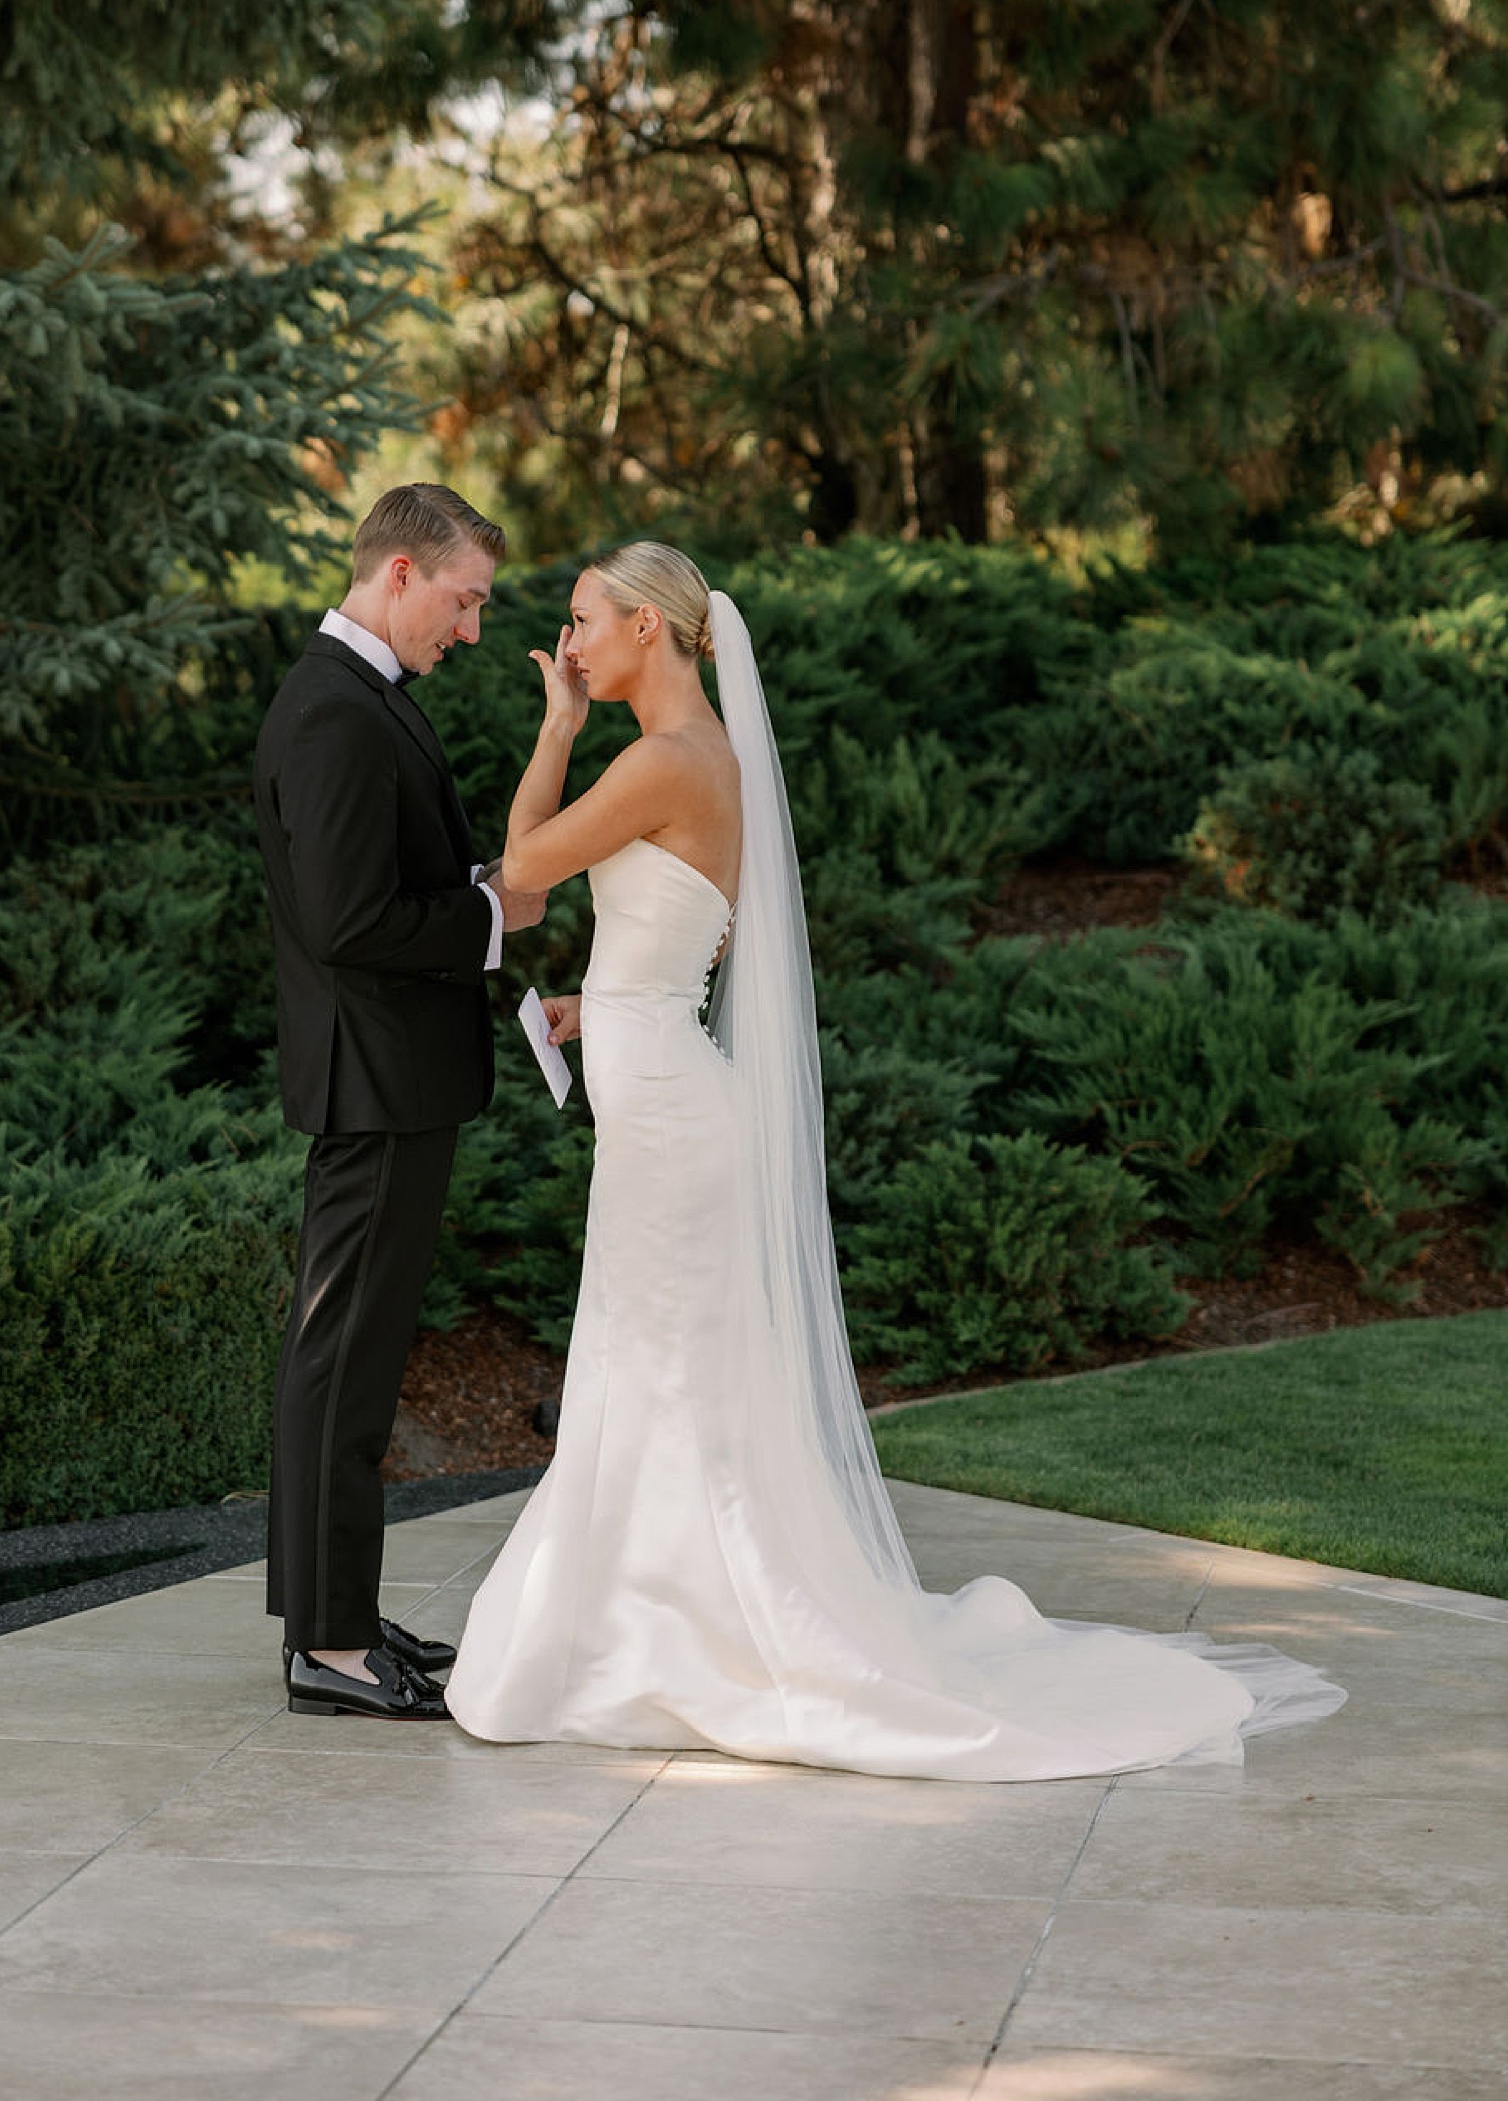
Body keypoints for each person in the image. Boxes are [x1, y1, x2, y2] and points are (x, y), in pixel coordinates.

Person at [445, 542, 1346, 1778]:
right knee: (667, 1364)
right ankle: (647, 1614)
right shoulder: (705, 761)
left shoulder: (659, 760)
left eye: (585, 621)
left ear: (649, 629)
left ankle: (678, 1630)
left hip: (666, 1115)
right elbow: (676, 945)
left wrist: (550, 730)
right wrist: (596, 1011)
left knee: (660, 1366)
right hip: (662, 1088)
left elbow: (525, 876)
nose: (572, 644)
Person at [254, 483, 546, 1721]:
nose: (471, 629)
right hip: (371, 1084)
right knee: (344, 1367)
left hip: (393, 1079)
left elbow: (383, 881)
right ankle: (325, 1647)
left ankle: (336, 1620)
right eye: (464, 600)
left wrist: (484, 878)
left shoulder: (365, 699)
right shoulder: (331, 712)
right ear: (397, 577)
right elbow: (345, 920)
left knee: (355, 1363)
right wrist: (490, 918)